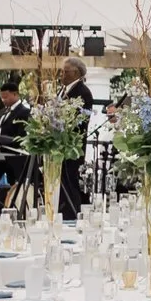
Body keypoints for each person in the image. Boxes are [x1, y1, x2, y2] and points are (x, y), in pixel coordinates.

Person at [56, 59, 97, 223]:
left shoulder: (83, 92)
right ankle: (62, 212)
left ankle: (71, 216)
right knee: (61, 181)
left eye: (66, 71)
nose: (62, 74)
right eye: (62, 71)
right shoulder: (63, 90)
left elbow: (80, 121)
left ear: (77, 73)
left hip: (73, 145)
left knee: (70, 180)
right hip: (59, 145)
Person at [0, 78, 31, 209]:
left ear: (15, 94)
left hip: (14, 156)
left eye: (6, 97)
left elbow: (21, 136)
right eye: (2, 97)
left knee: (16, 186)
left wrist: (2, 139)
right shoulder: (3, 111)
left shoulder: (24, 112)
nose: (3, 100)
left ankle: (14, 209)